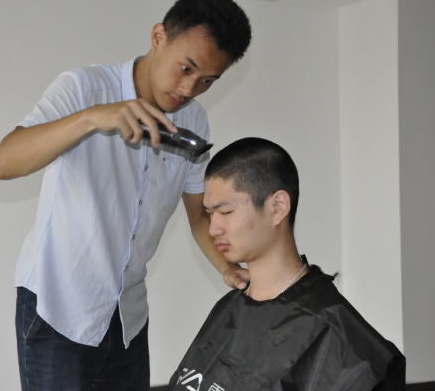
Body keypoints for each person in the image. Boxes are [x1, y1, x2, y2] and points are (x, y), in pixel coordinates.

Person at [0, 0, 251, 391]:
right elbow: (3, 163)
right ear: (159, 36)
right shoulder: (84, 88)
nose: (189, 89)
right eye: (186, 68)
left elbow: (199, 214)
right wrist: (91, 118)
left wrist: (227, 267)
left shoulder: (194, 121)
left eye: (206, 81)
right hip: (57, 305)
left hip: (127, 314)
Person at [168, 138, 405, 391]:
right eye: (209, 214)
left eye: (225, 212)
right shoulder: (230, 307)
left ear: (278, 207)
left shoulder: (342, 344)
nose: (213, 229)